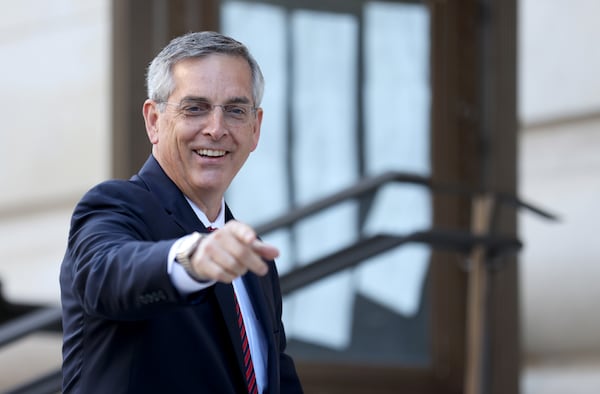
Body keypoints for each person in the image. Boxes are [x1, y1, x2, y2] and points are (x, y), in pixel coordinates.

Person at [60, 31, 303, 394]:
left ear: (255, 129)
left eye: (235, 110)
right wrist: (192, 259)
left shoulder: (254, 262)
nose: (216, 129)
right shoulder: (116, 206)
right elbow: (106, 271)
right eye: (195, 108)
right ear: (154, 121)